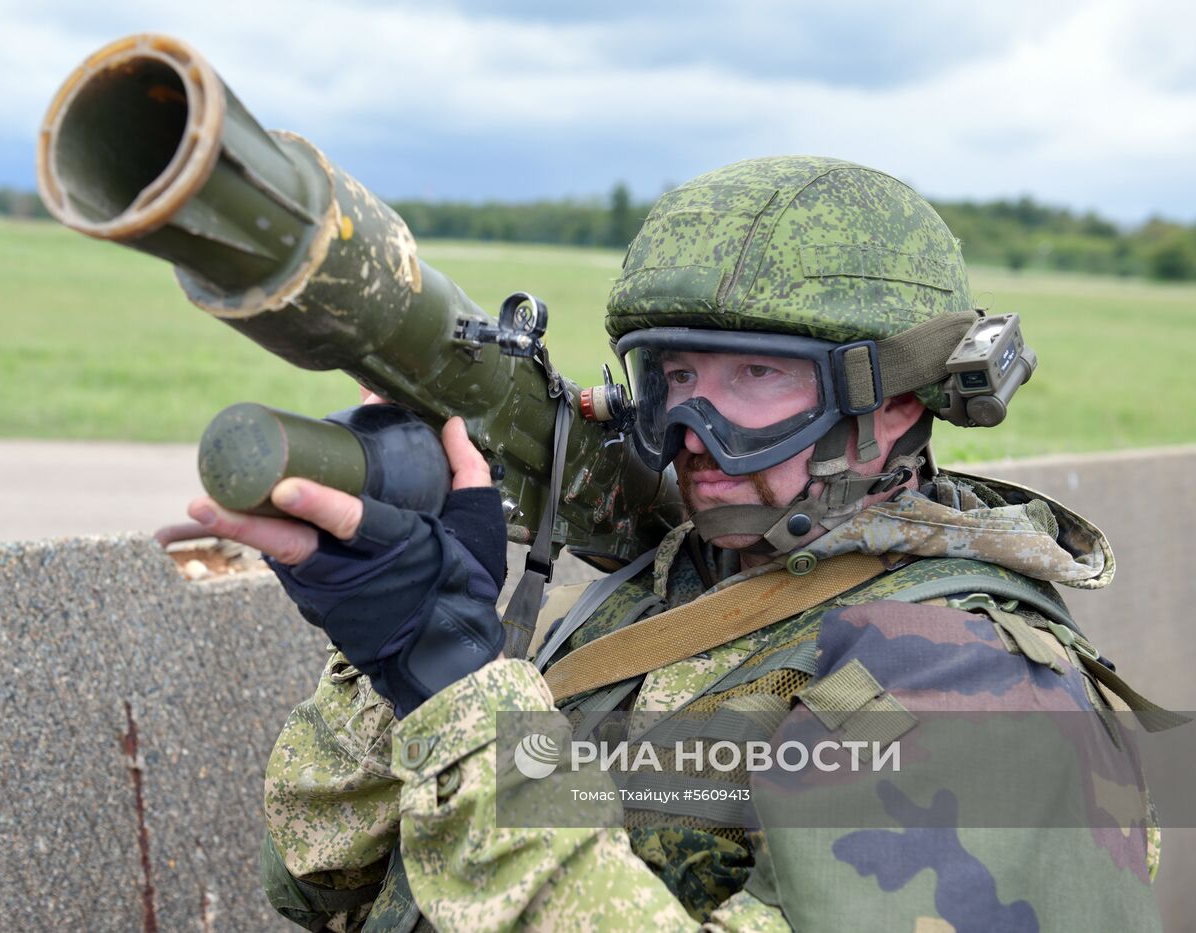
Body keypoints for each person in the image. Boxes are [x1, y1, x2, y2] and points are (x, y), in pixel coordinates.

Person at [161, 156, 1165, 931]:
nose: (697, 435)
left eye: (756, 381)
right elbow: (319, 884)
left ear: (894, 396)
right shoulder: (660, 597)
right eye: (673, 379)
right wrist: (393, 662)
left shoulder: (981, 690)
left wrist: (457, 696)